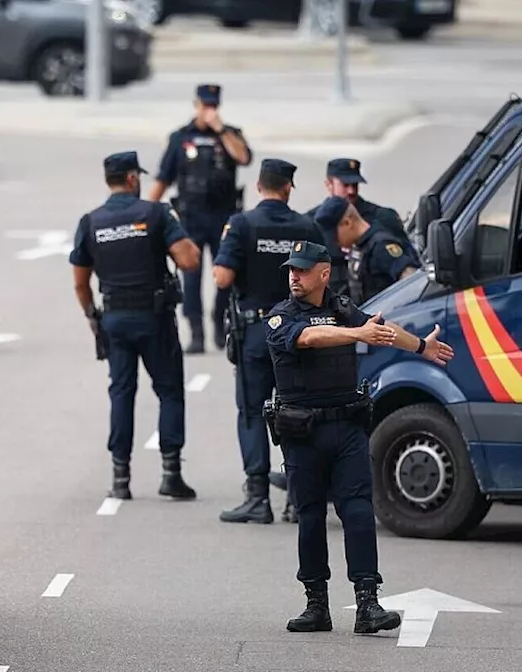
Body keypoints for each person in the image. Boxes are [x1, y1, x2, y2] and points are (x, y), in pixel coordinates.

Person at [263, 241, 454, 634]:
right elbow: (309, 340)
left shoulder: (342, 308)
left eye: (301, 270)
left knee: (358, 512)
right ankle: (317, 604)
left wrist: (421, 346)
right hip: (303, 433)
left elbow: (379, 330)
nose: (294, 276)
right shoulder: (281, 317)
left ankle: (368, 603)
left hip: (347, 428)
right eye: (291, 270)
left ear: (324, 273)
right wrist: (356, 333)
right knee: (312, 517)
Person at [70, 151, 202, 501]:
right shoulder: (156, 214)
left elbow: (81, 283)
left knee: (121, 393)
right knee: (170, 391)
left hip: (114, 319)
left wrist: (92, 316)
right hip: (154, 318)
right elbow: (189, 261)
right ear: (131, 178)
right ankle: (171, 473)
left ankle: (120, 478)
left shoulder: (90, 221)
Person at [213, 158, 324, 525]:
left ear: (259, 186)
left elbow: (223, 278)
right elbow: (324, 277)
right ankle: (297, 497)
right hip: (299, 331)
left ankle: (258, 497)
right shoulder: (307, 226)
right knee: (297, 410)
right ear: (288, 187)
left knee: (251, 412)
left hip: (257, 332)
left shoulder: (242, 224)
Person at [148, 83, 253, 354]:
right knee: (191, 276)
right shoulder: (180, 138)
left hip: (223, 217)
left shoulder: (231, 136)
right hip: (190, 218)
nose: (209, 111)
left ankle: (219, 322)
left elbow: (243, 157)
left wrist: (221, 129)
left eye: (213, 106)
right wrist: (146, 211)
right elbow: (163, 177)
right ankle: (196, 332)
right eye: (205, 105)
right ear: (196, 105)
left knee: (225, 274)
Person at [305, 159, 410, 295]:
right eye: (345, 184)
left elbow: (407, 271)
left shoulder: (383, 218)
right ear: (328, 184)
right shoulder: (313, 222)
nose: (351, 190)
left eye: (355, 184)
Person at [315, 196, 421, 305]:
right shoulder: (358, 246)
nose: (334, 242)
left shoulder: (380, 245)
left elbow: (412, 280)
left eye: (334, 236)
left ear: (347, 223)